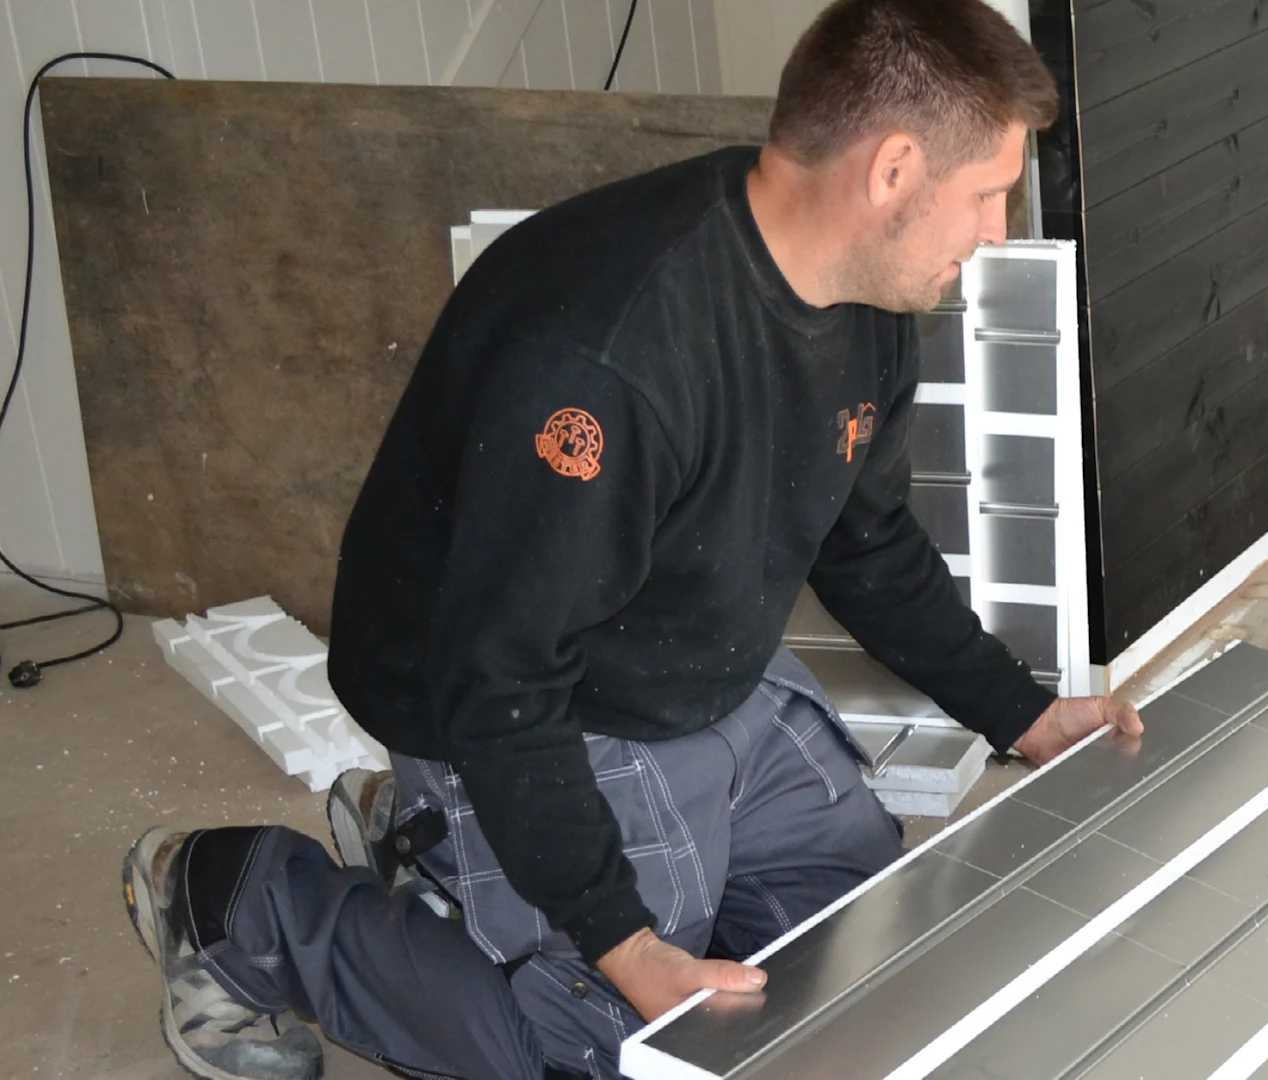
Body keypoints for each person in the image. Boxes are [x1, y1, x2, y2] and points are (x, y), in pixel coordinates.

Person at [121, 2, 1145, 1078]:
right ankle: (243, 905)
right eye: (986, 193)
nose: (997, 232)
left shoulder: (864, 298)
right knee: (621, 1050)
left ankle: (451, 851)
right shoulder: (612, 359)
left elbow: (868, 541)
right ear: (892, 170)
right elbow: (501, 682)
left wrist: (1022, 714)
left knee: (867, 964)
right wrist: (622, 942)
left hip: (694, 661)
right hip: (519, 700)